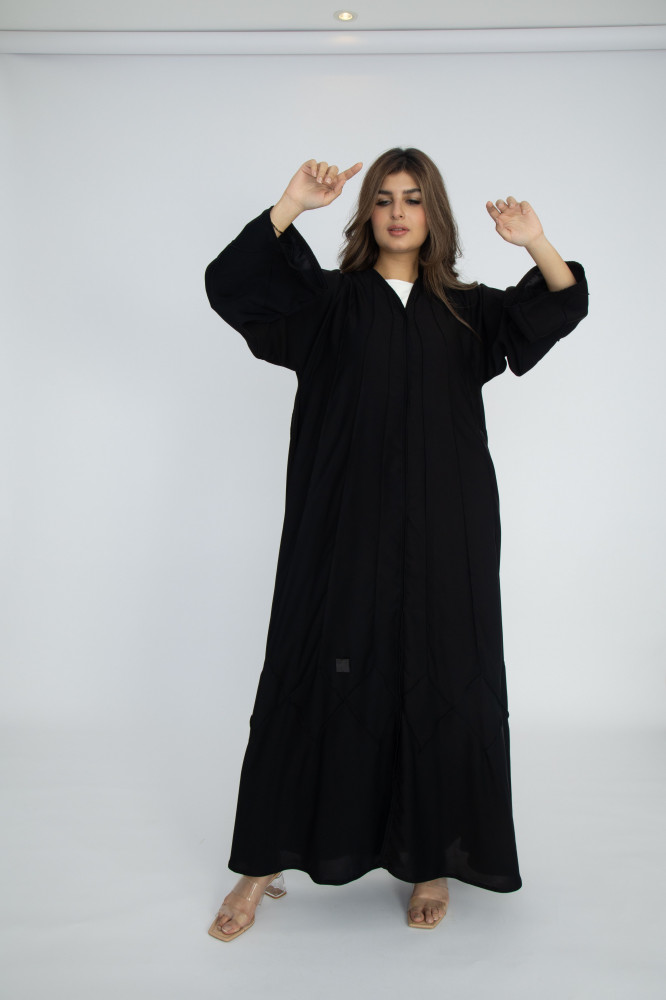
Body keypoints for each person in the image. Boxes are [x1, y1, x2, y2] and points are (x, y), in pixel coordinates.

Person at [204, 148, 589, 941]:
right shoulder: (327, 302)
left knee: (441, 678)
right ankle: (262, 862)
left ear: (432, 213)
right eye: (383, 199)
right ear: (367, 214)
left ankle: (431, 856)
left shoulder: (469, 310)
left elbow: (561, 302)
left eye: (413, 198)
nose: (398, 212)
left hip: (448, 531)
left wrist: (536, 241)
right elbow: (232, 284)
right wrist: (289, 204)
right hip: (341, 529)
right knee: (317, 671)